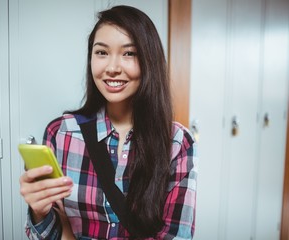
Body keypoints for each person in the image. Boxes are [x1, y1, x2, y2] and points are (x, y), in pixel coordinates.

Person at [20, 5, 197, 240]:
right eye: (102, 53)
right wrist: (38, 212)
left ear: (149, 61)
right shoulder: (61, 133)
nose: (112, 68)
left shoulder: (177, 143)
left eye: (129, 53)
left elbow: (177, 236)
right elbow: (45, 235)